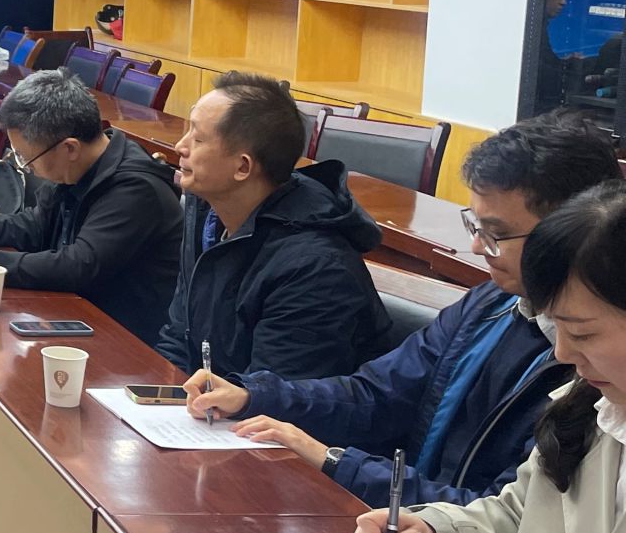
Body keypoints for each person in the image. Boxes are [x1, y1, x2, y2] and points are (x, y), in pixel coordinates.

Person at [185, 112, 620, 506]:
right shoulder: (491, 303)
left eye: (496, 233)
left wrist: (336, 462)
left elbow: (501, 514)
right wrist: (257, 396)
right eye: (475, 225)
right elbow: (376, 395)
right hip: (415, 525)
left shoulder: (599, 366)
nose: (475, 247)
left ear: (568, 231)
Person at [357, 181, 626, 533]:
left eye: (583, 333)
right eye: (556, 329)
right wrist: (431, 528)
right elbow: (519, 514)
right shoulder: (592, 407)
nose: (562, 353)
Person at [0, 70, 181, 340]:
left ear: (70, 148)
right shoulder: (73, 168)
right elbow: (36, 225)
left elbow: (77, 266)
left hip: (125, 341)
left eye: (26, 158)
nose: (26, 167)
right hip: (75, 314)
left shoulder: (136, 189)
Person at [154, 71, 391, 381]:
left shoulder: (315, 267)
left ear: (243, 167)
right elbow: (178, 336)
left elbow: (274, 393)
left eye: (197, 139)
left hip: (266, 407)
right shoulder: (205, 211)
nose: (179, 146)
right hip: (208, 402)